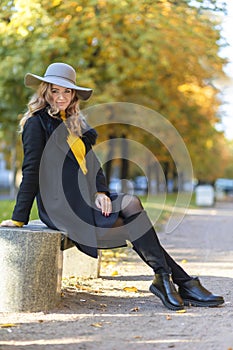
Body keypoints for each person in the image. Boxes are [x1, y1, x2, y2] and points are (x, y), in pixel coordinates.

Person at [0, 62, 224, 311]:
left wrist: (101, 192)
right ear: (44, 92)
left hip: (85, 197)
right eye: (55, 91)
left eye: (67, 92)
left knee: (131, 204)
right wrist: (18, 218)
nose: (61, 97)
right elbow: (31, 169)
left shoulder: (74, 123)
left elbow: (92, 164)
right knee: (132, 221)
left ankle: (168, 279)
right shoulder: (36, 123)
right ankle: (179, 281)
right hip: (61, 205)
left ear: (74, 95)